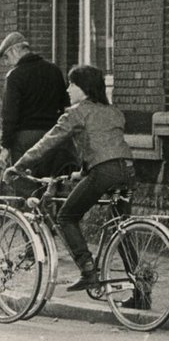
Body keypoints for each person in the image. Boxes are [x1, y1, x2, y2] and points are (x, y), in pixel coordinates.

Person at [5, 64, 134, 290]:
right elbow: (105, 145)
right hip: (128, 172)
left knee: (66, 217)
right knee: (120, 228)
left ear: (83, 87)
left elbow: (49, 141)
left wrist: (19, 165)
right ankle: (141, 289)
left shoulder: (76, 113)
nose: (68, 89)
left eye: (72, 84)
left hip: (103, 173)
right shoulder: (113, 112)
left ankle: (87, 269)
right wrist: (81, 173)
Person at [0, 31, 74, 179]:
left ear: (15, 50)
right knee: (49, 186)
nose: (6, 63)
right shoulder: (54, 70)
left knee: (25, 186)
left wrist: (5, 146)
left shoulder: (15, 76)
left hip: (24, 138)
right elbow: (66, 105)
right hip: (53, 135)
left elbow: (10, 115)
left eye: (6, 57)